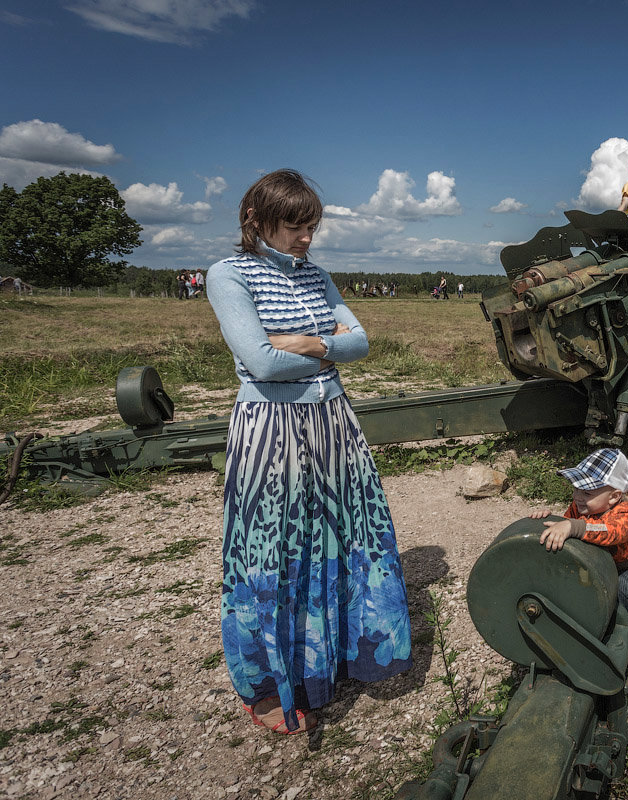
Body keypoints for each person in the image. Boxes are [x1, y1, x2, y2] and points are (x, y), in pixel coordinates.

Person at [206, 169, 413, 735]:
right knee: (277, 549)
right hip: (273, 427)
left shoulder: (318, 275)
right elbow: (261, 363)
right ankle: (273, 682)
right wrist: (330, 349)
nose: (306, 238)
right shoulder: (229, 275)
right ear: (256, 220)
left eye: (311, 226)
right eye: (294, 226)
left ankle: (330, 663)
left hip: (333, 424)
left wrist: (309, 344)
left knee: (341, 536)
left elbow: (362, 342)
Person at [529, 448, 628, 631]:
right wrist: (550, 520)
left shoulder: (627, 512)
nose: (577, 496)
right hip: (602, 561)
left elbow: (611, 531)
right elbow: (568, 525)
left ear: (614, 497)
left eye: (587, 493)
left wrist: (574, 526)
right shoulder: (582, 507)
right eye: (576, 489)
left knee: (625, 588)